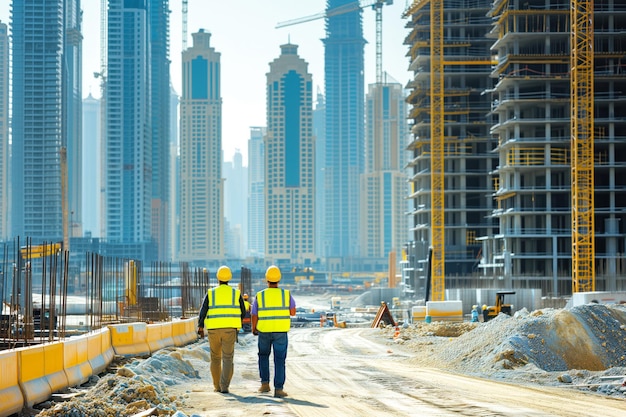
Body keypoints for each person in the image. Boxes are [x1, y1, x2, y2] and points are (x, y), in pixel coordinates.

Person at [197, 266, 246, 394]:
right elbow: (243, 311)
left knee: (215, 358)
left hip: (213, 329)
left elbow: (203, 311)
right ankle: (224, 386)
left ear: (217, 278)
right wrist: (237, 323)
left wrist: (200, 326)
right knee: (228, 358)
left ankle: (217, 386)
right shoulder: (236, 293)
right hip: (230, 329)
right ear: (229, 278)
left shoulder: (211, 293)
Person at [251, 265, 296, 398]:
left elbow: (254, 314)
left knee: (263, 356)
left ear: (267, 279)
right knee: (280, 360)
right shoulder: (286, 294)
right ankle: (279, 389)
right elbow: (293, 312)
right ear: (279, 279)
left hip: (264, 331)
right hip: (281, 332)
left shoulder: (260, 295)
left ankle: (265, 385)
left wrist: (254, 328)